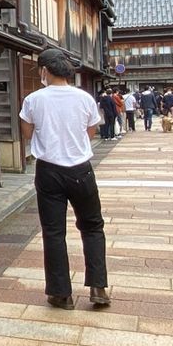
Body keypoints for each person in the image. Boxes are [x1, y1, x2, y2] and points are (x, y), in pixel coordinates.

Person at [19, 49, 109, 310]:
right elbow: (91, 131)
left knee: (54, 232)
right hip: (80, 168)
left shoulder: (33, 99)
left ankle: (60, 293)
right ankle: (98, 286)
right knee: (92, 226)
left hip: (48, 170)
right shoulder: (84, 98)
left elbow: (26, 133)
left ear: (45, 70)